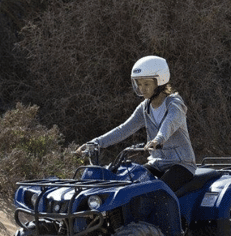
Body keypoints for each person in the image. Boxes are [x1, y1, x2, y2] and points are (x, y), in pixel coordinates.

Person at [75, 56, 196, 192]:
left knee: (158, 192)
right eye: (139, 84)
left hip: (181, 164)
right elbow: (123, 129)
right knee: (131, 184)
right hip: (157, 163)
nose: (142, 88)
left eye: (146, 84)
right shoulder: (145, 107)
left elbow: (169, 124)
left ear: (160, 81)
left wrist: (158, 140)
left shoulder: (175, 104)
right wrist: (95, 143)